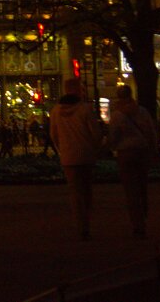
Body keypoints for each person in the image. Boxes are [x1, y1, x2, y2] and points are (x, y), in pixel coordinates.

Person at [50, 78, 105, 240]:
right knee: (87, 191)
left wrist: (62, 149)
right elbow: (96, 133)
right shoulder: (85, 109)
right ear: (77, 89)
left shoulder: (56, 111)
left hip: (68, 157)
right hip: (86, 155)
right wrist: (95, 147)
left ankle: (80, 225)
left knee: (75, 193)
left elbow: (53, 135)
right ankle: (86, 223)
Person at [108, 85, 158, 237]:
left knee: (131, 190)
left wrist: (111, 147)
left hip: (125, 153)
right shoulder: (142, 111)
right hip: (142, 151)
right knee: (142, 185)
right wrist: (153, 150)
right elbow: (151, 131)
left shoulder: (117, 115)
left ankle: (137, 223)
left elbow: (113, 136)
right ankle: (143, 212)